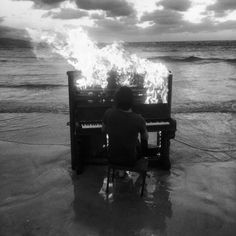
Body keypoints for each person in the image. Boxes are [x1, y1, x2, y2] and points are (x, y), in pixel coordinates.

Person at [102, 86, 148, 176]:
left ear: (116, 100)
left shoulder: (108, 113)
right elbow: (145, 137)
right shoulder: (138, 119)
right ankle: (143, 168)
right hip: (131, 161)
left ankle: (120, 171)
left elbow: (103, 130)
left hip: (112, 158)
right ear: (132, 101)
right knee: (140, 142)